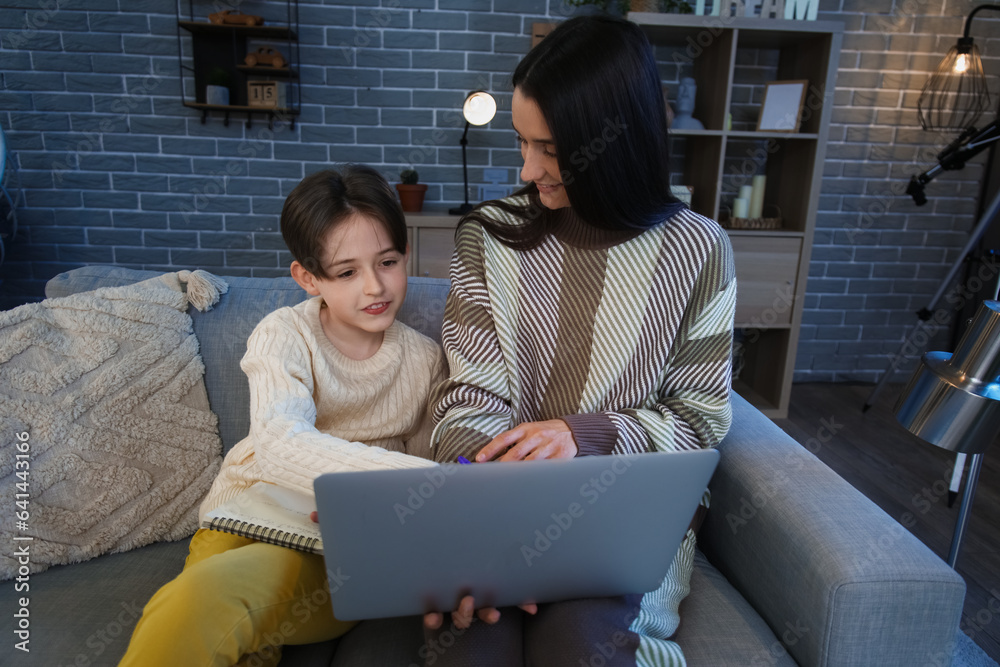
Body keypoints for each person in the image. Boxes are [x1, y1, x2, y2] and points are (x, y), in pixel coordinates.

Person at [425, 14, 736, 667]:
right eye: (521, 141)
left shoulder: (698, 250)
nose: (528, 168)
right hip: (497, 513)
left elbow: (701, 420)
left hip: (623, 520)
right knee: (468, 649)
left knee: (580, 649)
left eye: (551, 148)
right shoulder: (487, 235)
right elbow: (465, 402)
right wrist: (484, 523)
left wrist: (584, 433)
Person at [119, 165, 446, 667]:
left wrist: (421, 495)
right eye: (347, 272)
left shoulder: (424, 360)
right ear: (308, 278)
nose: (375, 287)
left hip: (332, 543)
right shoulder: (283, 333)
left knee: (205, 602)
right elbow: (278, 442)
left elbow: (426, 493)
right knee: (201, 613)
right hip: (241, 515)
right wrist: (430, 481)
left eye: (388, 261)